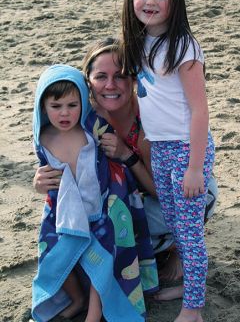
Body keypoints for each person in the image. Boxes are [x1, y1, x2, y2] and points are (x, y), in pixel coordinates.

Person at [33, 39, 219, 287]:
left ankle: (176, 248)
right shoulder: (79, 113)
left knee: (120, 234)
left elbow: (161, 192)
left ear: (134, 79)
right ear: (87, 80)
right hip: (127, 198)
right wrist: (39, 181)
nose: (110, 85)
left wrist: (126, 156)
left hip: (180, 191)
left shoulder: (149, 118)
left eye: (120, 76)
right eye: (101, 76)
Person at [120, 0, 215, 322]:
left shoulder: (183, 47)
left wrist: (195, 168)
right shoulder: (142, 41)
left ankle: (194, 308)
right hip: (160, 148)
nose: (150, 1)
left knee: (190, 235)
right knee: (177, 226)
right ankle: (192, 285)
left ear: (175, 1)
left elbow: (200, 111)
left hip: (187, 150)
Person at [31, 64, 158, 322]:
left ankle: (95, 310)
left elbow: (116, 161)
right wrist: (37, 184)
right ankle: (77, 298)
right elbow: (43, 178)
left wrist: (115, 147)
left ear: (82, 102)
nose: (65, 113)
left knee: (106, 255)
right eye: (56, 107)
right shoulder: (42, 138)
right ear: (43, 107)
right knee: (52, 253)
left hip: (101, 209)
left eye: (72, 105)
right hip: (65, 214)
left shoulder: (93, 128)